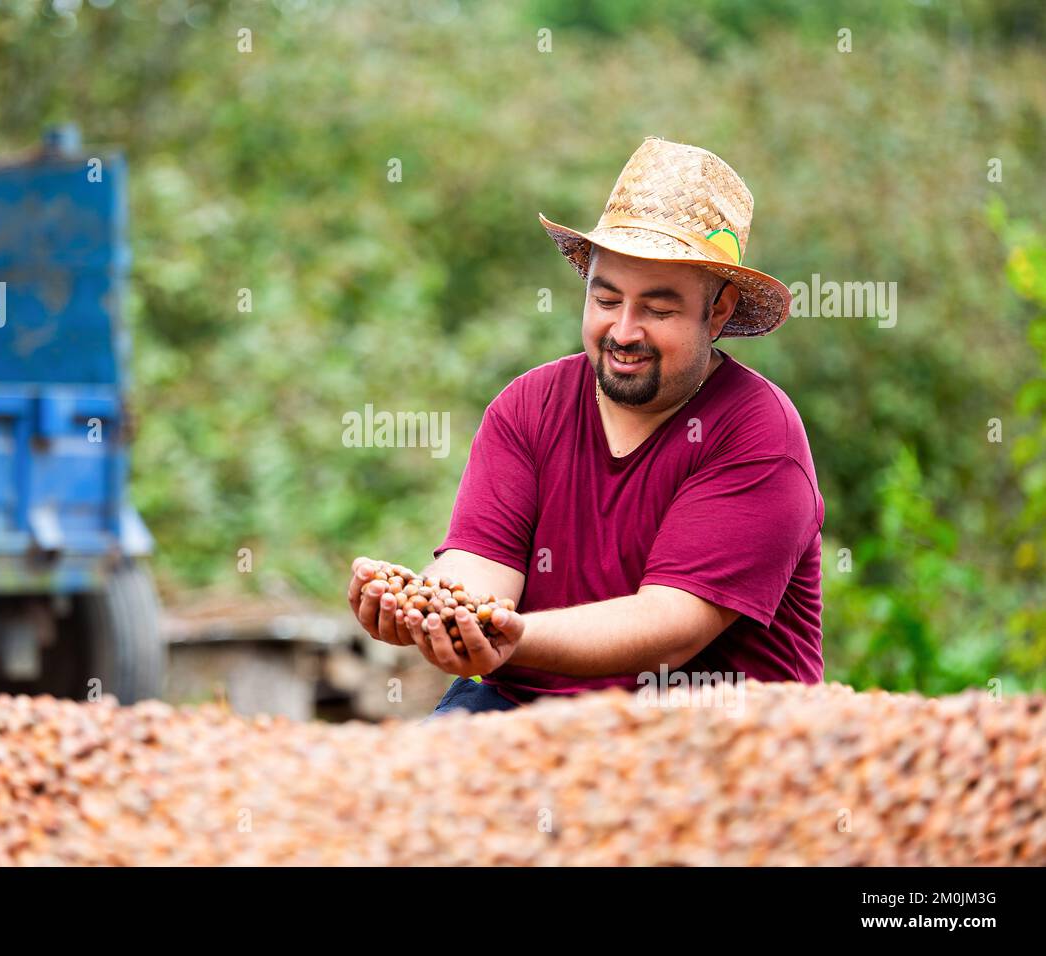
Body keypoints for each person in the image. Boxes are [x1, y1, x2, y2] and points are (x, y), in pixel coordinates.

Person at [346, 137, 824, 721]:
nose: (624, 331)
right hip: (524, 703)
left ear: (718, 311)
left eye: (658, 309)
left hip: (706, 725)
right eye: (606, 299)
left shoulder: (757, 433)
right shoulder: (528, 405)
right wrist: (429, 608)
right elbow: (480, 569)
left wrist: (515, 636)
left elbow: (670, 628)